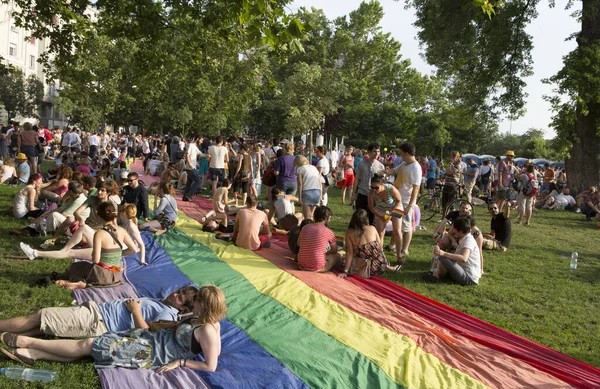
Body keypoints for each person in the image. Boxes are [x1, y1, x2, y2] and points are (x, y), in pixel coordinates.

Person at [0, 286, 227, 373]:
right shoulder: (199, 318)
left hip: (152, 353)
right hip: (148, 339)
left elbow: (211, 364)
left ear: (203, 305)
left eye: (196, 300)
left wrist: (181, 362)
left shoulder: (208, 328)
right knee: (90, 349)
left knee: (89, 345)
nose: (191, 301)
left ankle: (27, 342)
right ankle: (34, 353)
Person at [0, 286, 198, 338]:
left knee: (41, 315)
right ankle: (6, 336)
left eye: (180, 297)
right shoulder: (162, 302)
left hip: (98, 321)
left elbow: (148, 335)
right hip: (96, 313)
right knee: (44, 326)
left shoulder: (168, 315)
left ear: (182, 308)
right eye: (178, 291)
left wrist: (136, 311)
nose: (174, 294)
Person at [54, 202, 138, 290]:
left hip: (101, 275)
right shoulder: (122, 231)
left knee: (77, 267)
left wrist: (98, 254)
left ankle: (82, 282)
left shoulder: (99, 234)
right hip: (115, 276)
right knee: (84, 267)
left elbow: (96, 260)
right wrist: (118, 254)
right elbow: (134, 250)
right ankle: (82, 283)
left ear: (98, 216)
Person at [380, 142, 421, 261]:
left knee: (406, 227)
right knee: (396, 222)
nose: (400, 155)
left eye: (402, 153)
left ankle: (404, 249)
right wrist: (384, 172)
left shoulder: (416, 167)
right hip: (398, 199)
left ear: (407, 153)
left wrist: (411, 205)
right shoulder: (404, 164)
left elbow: (416, 188)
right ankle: (393, 245)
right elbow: (394, 171)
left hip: (406, 201)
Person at [338, 209, 401, 279]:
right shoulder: (372, 228)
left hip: (363, 266)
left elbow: (349, 253)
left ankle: (388, 266)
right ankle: (388, 266)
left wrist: (345, 271)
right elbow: (380, 247)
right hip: (380, 264)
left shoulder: (349, 233)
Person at [423, 217, 481, 285]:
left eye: (454, 229)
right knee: (444, 256)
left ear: (460, 231)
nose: (453, 231)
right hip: (463, 272)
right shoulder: (464, 238)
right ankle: (434, 273)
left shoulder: (468, 240)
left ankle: (435, 277)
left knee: (442, 256)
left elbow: (464, 258)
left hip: (468, 278)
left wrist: (444, 253)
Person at [367, 175, 403, 260]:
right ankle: (380, 255)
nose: (374, 190)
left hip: (396, 207)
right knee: (380, 233)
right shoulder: (371, 193)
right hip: (381, 209)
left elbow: (399, 200)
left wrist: (391, 213)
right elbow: (371, 207)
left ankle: (399, 256)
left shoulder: (391, 189)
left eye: (376, 187)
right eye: (372, 187)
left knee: (397, 231)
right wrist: (380, 216)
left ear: (382, 184)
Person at [297, 206, 342, 272]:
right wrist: (325, 252)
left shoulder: (305, 227)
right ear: (326, 218)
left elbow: (299, 243)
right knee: (337, 256)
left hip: (301, 265)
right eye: (329, 218)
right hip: (317, 267)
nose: (329, 220)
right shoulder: (329, 232)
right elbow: (334, 250)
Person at [351, 143, 385, 225]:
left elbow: (382, 183)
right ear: (369, 152)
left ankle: (371, 235)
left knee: (372, 218)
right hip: (362, 193)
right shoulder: (361, 164)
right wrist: (353, 193)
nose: (376, 153)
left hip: (374, 195)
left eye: (378, 151)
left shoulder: (381, 166)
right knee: (359, 218)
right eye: (374, 151)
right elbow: (356, 180)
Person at [294, 155, 321, 220]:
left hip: (307, 191)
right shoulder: (314, 168)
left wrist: (299, 197)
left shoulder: (299, 169)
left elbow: (300, 184)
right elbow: (320, 182)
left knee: (307, 217)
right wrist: (320, 195)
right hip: (317, 191)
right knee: (311, 215)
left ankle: (307, 228)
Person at [182, 136, 204, 202]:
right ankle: (189, 195)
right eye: (201, 140)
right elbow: (187, 155)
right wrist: (190, 164)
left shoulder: (195, 147)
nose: (201, 142)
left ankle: (185, 197)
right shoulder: (191, 145)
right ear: (197, 139)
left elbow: (201, 154)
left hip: (190, 167)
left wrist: (208, 155)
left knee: (189, 182)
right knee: (198, 181)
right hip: (190, 167)